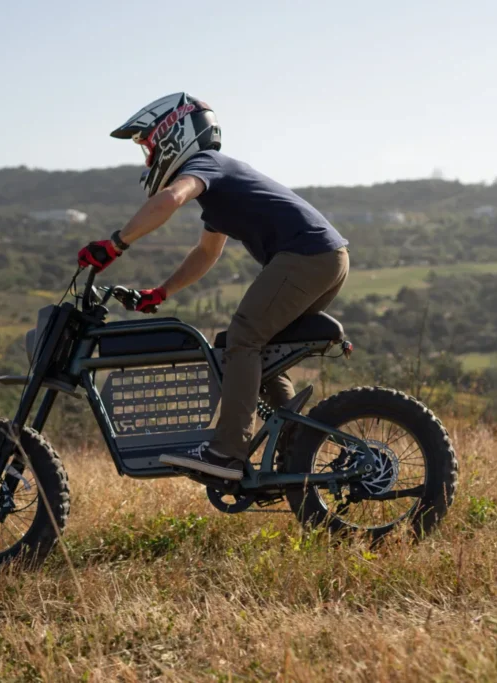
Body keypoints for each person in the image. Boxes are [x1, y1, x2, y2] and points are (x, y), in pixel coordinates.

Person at [77, 93, 349, 482]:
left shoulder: (205, 165)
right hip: (323, 258)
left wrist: (116, 243)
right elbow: (206, 252)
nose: (148, 157)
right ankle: (295, 444)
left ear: (174, 134)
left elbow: (170, 198)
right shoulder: (221, 190)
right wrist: (163, 292)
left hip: (308, 257)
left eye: (148, 146)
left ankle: (228, 453)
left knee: (244, 339)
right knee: (251, 348)